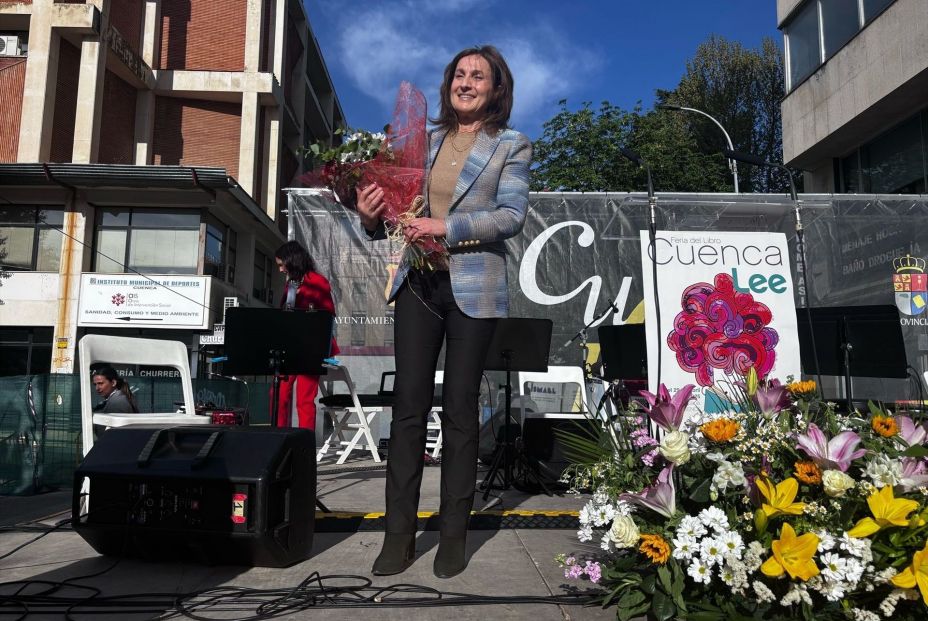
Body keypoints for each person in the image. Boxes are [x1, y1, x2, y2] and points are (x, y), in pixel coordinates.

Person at [357, 45, 531, 578]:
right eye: (459, 73)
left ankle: (453, 535)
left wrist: (446, 227)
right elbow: (398, 214)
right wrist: (370, 216)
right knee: (407, 408)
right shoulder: (421, 141)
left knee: (459, 410)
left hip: (474, 289)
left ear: (496, 88)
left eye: (478, 75)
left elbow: (511, 216)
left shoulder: (511, 144)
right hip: (418, 283)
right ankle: (398, 536)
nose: (466, 82)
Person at [273, 240, 339, 430]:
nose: (280, 269)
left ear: (291, 260)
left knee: (305, 399)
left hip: (311, 348)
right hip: (289, 346)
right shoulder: (291, 284)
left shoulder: (317, 282)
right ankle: (277, 435)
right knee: (278, 394)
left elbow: (327, 315)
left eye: (281, 264)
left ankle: (305, 442)